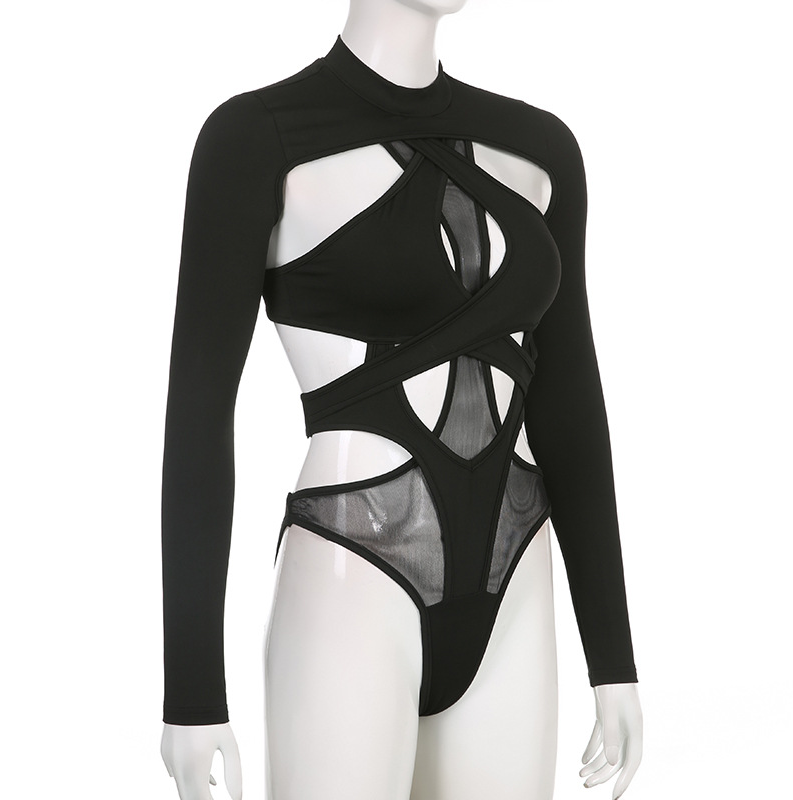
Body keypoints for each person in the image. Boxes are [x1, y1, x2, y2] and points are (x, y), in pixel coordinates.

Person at [160, 1, 644, 798]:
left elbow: (570, 401)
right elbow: (199, 414)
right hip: (353, 568)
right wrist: (192, 695)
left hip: (515, 572)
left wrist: (613, 659)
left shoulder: (540, 148)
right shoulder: (256, 138)